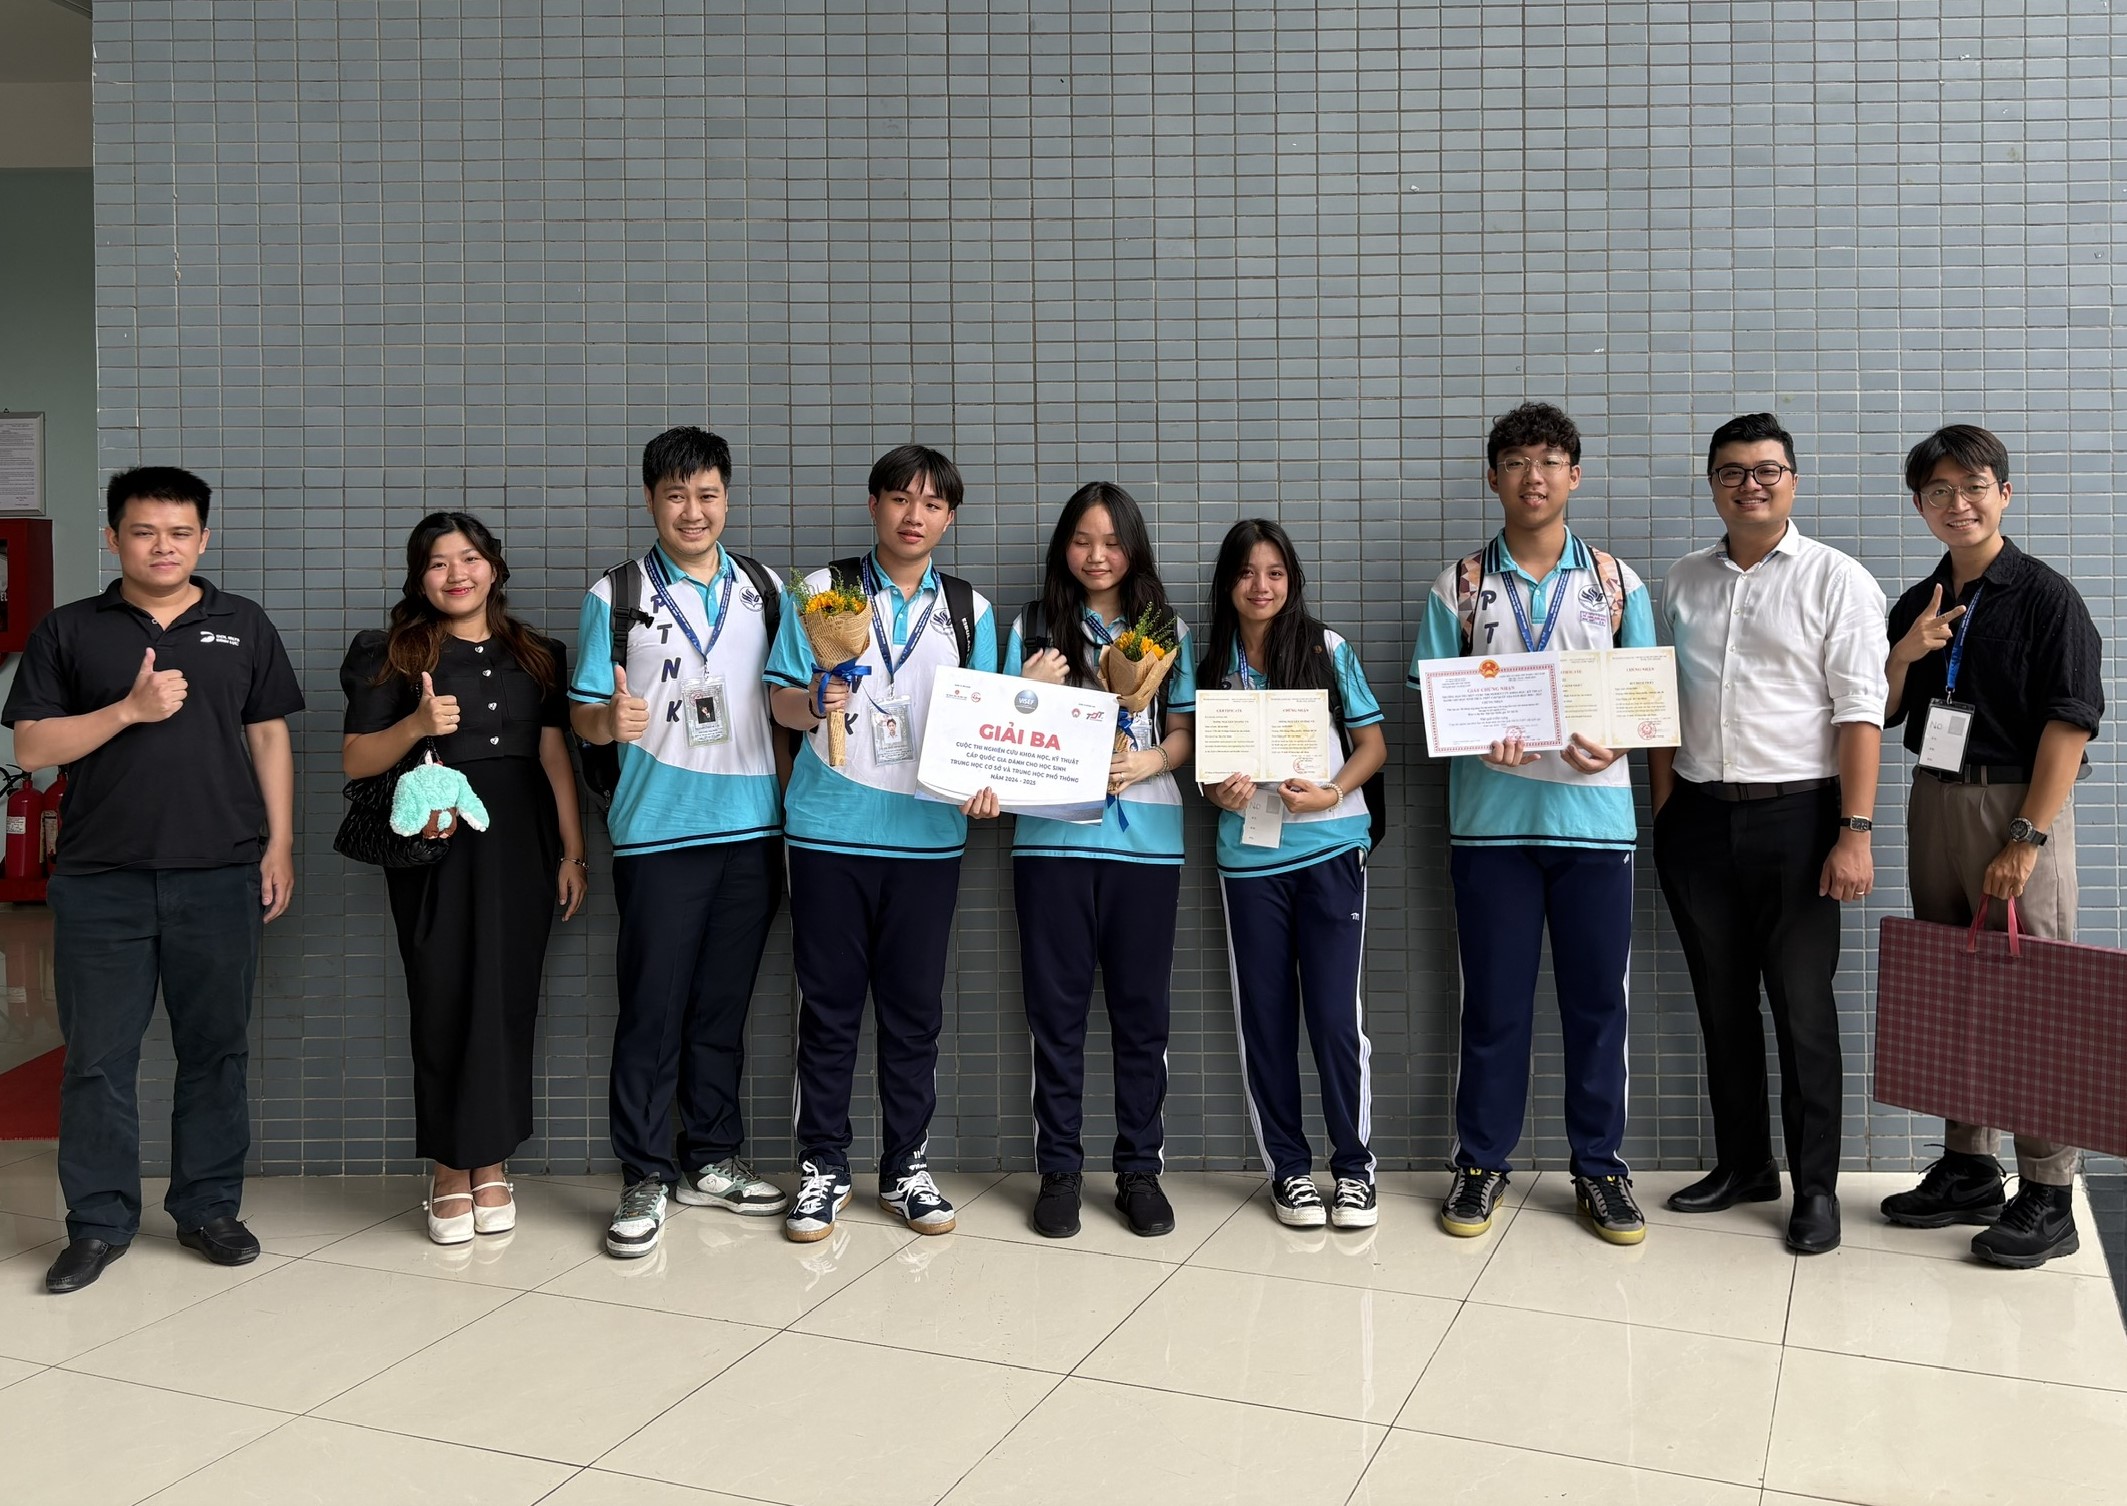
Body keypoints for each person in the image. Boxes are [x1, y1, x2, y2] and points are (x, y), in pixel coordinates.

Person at [5, 466, 301, 1294]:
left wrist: (279, 847)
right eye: (144, 531)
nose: (162, 546)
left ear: (203, 539)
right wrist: (127, 711)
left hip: (221, 874)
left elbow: (269, 738)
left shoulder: (241, 624)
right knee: (98, 1059)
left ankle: (207, 1208)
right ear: (113, 538)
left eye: (179, 532)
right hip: (103, 881)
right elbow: (31, 750)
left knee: (216, 1052)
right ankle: (98, 1225)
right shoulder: (70, 630)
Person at [1408, 403, 1656, 1246]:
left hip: (1594, 827)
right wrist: (1484, 739)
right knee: (1495, 1007)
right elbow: (1434, 697)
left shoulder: (1618, 583)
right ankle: (1480, 1162)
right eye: (1516, 461)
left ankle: (1599, 1168)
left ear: (1574, 476)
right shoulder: (1460, 585)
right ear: (1493, 477)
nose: (1533, 476)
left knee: (1597, 1009)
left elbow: (1646, 704)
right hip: (1493, 829)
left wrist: (1614, 739)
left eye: (1550, 460)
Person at [1650, 413, 1887, 1256]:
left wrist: (1852, 833)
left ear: (1793, 479)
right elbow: (1657, 706)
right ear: (1710, 482)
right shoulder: (1678, 582)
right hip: (1699, 819)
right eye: (1731, 471)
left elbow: (1861, 713)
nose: (1749, 483)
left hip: (1801, 818)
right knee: (1720, 1006)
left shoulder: (1837, 580)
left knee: (1800, 1008)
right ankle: (1745, 1165)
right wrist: (1665, 809)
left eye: (1766, 470)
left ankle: (1813, 1187)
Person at [1877, 424, 2103, 1268]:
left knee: (2032, 990)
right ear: (1919, 507)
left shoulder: (2045, 597)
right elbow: (1884, 711)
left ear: (2002, 493)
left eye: (1972, 486)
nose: (1956, 503)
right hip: (1930, 802)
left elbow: (2069, 722)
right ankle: (1968, 1167)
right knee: (1952, 984)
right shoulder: (1921, 600)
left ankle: (2047, 1191)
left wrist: (2024, 836)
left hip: (2013, 806)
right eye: (1938, 492)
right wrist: (1907, 651)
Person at [765, 444, 998, 1242]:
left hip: (928, 839)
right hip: (829, 832)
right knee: (827, 1011)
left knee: (913, 1015)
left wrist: (992, 781)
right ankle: (822, 1168)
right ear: (873, 506)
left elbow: (989, 722)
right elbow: (779, 704)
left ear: (948, 518)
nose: (913, 514)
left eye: (931, 504)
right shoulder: (824, 592)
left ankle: (905, 1169)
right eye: (899, 498)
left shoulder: (968, 609)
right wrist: (812, 697)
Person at [571, 427, 790, 1259]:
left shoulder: (767, 589)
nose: (691, 511)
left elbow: (784, 704)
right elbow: (586, 712)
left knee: (722, 1008)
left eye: (705, 494)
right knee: (652, 1008)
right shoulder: (617, 592)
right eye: (674, 496)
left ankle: (713, 1157)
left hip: (752, 828)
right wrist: (606, 720)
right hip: (659, 832)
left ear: (726, 497)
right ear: (650, 501)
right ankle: (645, 1171)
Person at [342, 513, 585, 1245]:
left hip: (521, 843)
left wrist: (571, 852)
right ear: (419, 577)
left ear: (494, 567)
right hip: (436, 845)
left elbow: (552, 758)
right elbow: (356, 761)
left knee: (509, 1001)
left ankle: (493, 1163)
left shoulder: (537, 654)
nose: (457, 573)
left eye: (470, 558)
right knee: (443, 993)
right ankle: (449, 1167)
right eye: (439, 563)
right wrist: (416, 724)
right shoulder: (388, 653)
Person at [1005, 482, 1196, 1239]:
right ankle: (1058, 1169)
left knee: (1140, 1016)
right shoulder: (1029, 626)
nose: (1096, 555)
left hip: (1145, 845)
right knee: (1054, 1017)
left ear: (1132, 548)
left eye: (1111, 542)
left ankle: (1138, 1170)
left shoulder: (1165, 628)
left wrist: (1148, 763)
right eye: (1082, 541)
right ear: (1064, 548)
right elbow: (991, 722)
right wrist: (1024, 688)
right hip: (1050, 843)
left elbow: (1183, 734)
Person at [1199, 519, 1387, 1230]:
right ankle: (1290, 1170)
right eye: (1247, 573)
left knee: (1336, 1018)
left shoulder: (1325, 647)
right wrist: (1217, 793)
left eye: (1274, 572)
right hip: (1248, 861)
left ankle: (1353, 1168)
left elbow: (1371, 745)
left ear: (1291, 581)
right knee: (1265, 1021)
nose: (1260, 586)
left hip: (1330, 851)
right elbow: (1203, 769)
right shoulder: (1206, 658)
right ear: (1227, 583)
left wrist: (1334, 793)